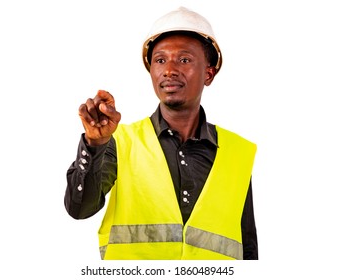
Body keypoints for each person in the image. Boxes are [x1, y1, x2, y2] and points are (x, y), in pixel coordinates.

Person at [64, 7, 258, 260]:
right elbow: (80, 209)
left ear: (209, 73)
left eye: (185, 60)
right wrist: (94, 143)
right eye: (160, 60)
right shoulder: (119, 142)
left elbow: (247, 246)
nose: (169, 70)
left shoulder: (237, 152)